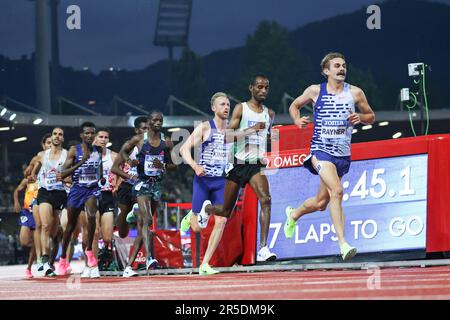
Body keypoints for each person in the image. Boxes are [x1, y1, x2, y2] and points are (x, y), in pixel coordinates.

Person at [283, 52, 375, 261]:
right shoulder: (315, 91)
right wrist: (296, 121)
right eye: (336, 66)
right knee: (337, 190)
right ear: (326, 71)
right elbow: (294, 106)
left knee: (320, 202)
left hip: (342, 155)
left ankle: (293, 214)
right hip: (320, 151)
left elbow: (371, 116)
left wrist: (360, 117)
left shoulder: (355, 93)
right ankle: (343, 244)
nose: (341, 69)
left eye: (343, 65)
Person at [201, 74, 277, 262]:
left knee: (266, 199)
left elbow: (267, 137)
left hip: (255, 165)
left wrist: (270, 140)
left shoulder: (270, 113)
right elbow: (227, 136)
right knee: (227, 211)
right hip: (237, 164)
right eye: (259, 87)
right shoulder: (241, 108)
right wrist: (252, 129)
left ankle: (263, 248)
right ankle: (207, 208)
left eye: (266, 87)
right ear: (251, 88)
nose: (263, 91)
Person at [117, 111, 175, 277]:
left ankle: (128, 267)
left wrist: (163, 165)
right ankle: (149, 258)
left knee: (145, 225)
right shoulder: (139, 140)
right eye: (155, 120)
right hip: (141, 183)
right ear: (149, 122)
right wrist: (129, 161)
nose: (158, 123)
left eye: (160, 120)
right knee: (148, 219)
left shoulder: (166, 143)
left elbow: (174, 166)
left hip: (156, 185)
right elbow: (123, 151)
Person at [179, 92, 231, 275]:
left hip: (220, 182)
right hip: (203, 181)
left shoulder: (233, 130)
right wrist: (195, 166)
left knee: (222, 220)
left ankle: (205, 264)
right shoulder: (205, 127)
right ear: (214, 108)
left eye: (228, 104)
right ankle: (190, 216)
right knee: (197, 228)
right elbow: (184, 149)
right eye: (222, 104)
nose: (226, 107)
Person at [57, 122, 104, 277]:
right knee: (70, 227)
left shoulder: (98, 150)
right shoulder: (74, 150)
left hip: (92, 189)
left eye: (92, 133)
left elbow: (100, 168)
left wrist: (101, 178)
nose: (90, 136)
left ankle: (89, 250)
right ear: (82, 135)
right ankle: (63, 258)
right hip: (77, 190)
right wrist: (81, 162)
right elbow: (62, 174)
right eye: (87, 133)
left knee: (91, 216)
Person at [80, 127, 117, 277]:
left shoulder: (113, 155)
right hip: (91, 196)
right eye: (100, 137)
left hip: (107, 196)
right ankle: (91, 266)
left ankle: (98, 259)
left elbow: (122, 171)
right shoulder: (87, 155)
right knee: (93, 233)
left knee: (107, 237)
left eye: (106, 137)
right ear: (94, 139)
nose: (103, 139)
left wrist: (117, 185)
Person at [31, 127, 67, 276]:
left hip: (61, 193)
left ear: (63, 139)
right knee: (45, 226)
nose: (57, 136)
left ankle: (53, 259)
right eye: (55, 134)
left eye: (60, 134)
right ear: (51, 137)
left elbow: (73, 170)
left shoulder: (67, 154)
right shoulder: (41, 155)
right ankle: (44, 261)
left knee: (55, 231)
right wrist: (36, 178)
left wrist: (66, 177)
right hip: (45, 193)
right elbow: (32, 172)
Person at [111, 116, 149, 239]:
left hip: (143, 188)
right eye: (144, 128)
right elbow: (115, 168)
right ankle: (128, 214)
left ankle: (144, 253)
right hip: (127, 187)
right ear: (136, 130)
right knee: (122, 232)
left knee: (143, 223)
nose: (147, 131)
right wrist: (130, 177)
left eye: (148, 128)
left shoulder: (155, 146)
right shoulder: (129, 146)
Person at [13, 177, 38, 278]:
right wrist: (16, 202)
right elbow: (17, 190)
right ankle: (37, 247)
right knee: (24, 242)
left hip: (38, 212)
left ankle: (28, 268)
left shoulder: (44, 179)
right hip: (27, 212)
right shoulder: (28, 180)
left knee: (37, 242)